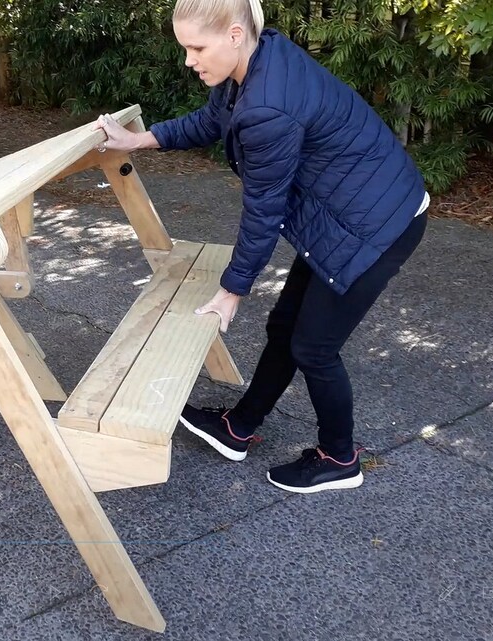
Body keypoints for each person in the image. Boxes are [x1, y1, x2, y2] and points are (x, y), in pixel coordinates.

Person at [93, 0, 429, 494]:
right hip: (345, 213)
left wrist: (232, 290)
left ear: (233, 35)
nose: (189, 60)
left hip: (379, 222)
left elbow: (264, 211)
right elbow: (210, 124)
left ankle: (340, 458)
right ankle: (238, 427)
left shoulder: (268, 105)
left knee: (315, 348)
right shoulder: (253, 63)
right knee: (286, 326)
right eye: (185, 47)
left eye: (196, 47)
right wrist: (138, 141)